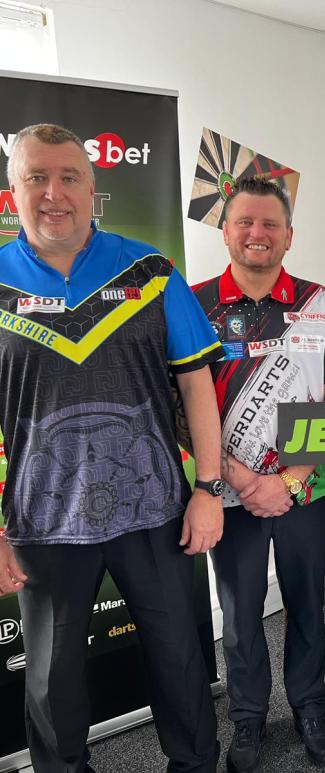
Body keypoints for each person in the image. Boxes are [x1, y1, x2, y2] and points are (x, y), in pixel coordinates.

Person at [0, 123, 223, 772]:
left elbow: (197, 387)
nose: (54, 192)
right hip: (43, 520)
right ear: (13, 191)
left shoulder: (150, 271)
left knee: (180, 660)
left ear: (91, 186)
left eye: (68, 176)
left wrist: (209, 489)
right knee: (52, 682)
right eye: (36, 177)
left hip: (155, 510)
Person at [191, 177, 325, 772]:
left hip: (305, 489)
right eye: (245, 222)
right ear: (226, 231)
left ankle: (311, 706)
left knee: (307, 601)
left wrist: (286, 480)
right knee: (240, 612)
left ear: (289, 235)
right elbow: (182, 408)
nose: (257, 233)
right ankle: (248, 716)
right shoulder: (193, 303)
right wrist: (241, 479)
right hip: (227, 491)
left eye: (270, 224)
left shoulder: (321, 304)